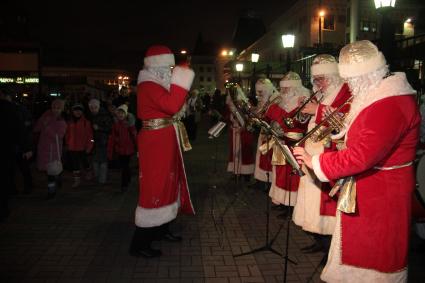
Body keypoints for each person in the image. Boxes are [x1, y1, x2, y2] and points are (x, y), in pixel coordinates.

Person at [294, 40, 420, 282]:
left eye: (351, 80)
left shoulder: (389, 103)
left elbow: (362, 155)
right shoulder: (378, 96)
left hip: (381, 193)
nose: (350, 87)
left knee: (374, 258)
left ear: (366, 76)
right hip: (373, 187)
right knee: (361, 252)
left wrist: (315, 162)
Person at [130, 45, 195, 258]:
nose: (171, 70)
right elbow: (172, 105)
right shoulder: (149, 84)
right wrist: (183, 77)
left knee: (169, 183)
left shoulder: (156, 82)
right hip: (156, 143)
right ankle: (139, 244)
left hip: (164, 139)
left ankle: (161, 229)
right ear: (158, 66)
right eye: (169, 67)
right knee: (155, 187)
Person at [291, 54, 352, 254]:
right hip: (312, 151)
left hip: (329, 153)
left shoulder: (345, 91)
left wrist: (318, 109)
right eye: (315, 80)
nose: (318, 83)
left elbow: (346, 117)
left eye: (322, 79)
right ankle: (318, 236)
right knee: (312, 196)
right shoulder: (320, 93)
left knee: (326, 199)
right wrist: (303, 111)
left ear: (333, 76)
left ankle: (330, 244)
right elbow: (302, 123)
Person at [264, 72, 309, 218]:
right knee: (281, 173)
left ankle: (292, 206)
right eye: (282, 89)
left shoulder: (303, 101)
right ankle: (284, 202)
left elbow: (299, 124)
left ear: (294, 89)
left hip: (295, 144)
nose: (283, 92)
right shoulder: (281, 101)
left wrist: (276, 111)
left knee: (292, 176)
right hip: (282, 141)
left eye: (286, 89)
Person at [0, 88, 31, 221]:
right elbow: (20, 129)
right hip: (7, 148)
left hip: (7, 147)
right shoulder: (11, 108)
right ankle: (3, 207)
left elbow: (20, 128)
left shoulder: (11, 108)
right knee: (5, 176)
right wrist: (26, 147)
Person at [34, 99, 67, 199]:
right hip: (43, 149)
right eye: (54, 108)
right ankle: (58, 178)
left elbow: (58, 136)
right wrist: (42, 120)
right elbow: (36, 129)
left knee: (51, 174)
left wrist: (47, 127)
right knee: (50, 172)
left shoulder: (62, 122)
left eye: (58, 108)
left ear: (62, 109)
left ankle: (51, 191)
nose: (55, 110)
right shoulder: (46, 117)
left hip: (53, 151)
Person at [253, 78, 280, 186]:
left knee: (268, 159)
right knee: (261, 157)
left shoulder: (276, 99)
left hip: (271, 133)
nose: (259, 96)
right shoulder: (264, 99)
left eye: (261, 92)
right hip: (264, 131)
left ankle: (268, 182)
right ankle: (261, 179)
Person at [225, 86, 255, 179]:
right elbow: (228, 117)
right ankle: (236, 171)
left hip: (244, 133)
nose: (229, 96)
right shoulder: (230, 106)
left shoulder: (245, 104)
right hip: (234, 131)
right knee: (234, 152)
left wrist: (243, 127)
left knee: (245, 152)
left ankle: (246, 173)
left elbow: (250, 118)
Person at [65, 103, 94, 188]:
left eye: (79, 110)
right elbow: (67, 134)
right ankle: (77, 180)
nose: (77, 112)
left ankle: (88, 171)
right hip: (72, 147)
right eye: (75, 110)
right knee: (75, 165)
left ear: (82, 112)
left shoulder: (86, 123)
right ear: (72, 111)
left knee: (85, 162)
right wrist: (67, 143)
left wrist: (89, 146)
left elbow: (90, 136)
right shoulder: (69, 122)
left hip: (83, 147)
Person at [109, 104, 137, 192]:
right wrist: (112, 148)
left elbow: (134, 136)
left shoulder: (130, 125)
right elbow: (112, 137)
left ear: (126, 114)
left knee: (125, 167)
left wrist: (137, 147)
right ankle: (127, 179)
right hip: (120, 149)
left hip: (129, 149)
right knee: (124, 166)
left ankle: (124, 184)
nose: (120, 115)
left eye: (122, 113)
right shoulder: (116, 125)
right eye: (119, 113)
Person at [88, 98, 113, 184]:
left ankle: (102, 179)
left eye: (95, 107)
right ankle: (98, 177)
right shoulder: (90, 116)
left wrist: (99, 128)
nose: (93, 109)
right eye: (91, 107)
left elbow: (110, 128)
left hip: (103, 141)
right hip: (94, 142)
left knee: (103, 161)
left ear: (98, 107)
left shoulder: (105, 115)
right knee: (95, 161)